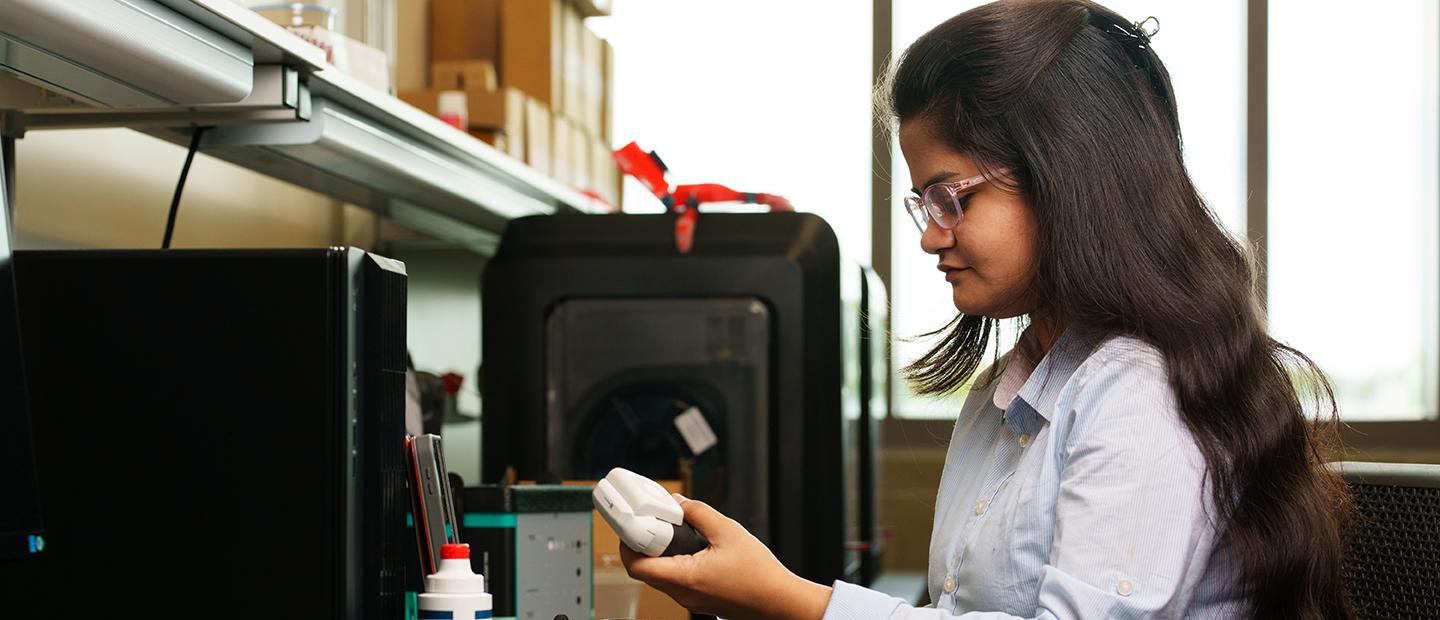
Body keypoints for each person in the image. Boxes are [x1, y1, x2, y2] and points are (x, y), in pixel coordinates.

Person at [620, 0, 1355, 618]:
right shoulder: (1000, 396)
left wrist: (795, 600)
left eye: (951, 197)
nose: (931, 238)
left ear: (1067, 172)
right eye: (922, 205)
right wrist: (765, 598)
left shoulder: (1141, 389)